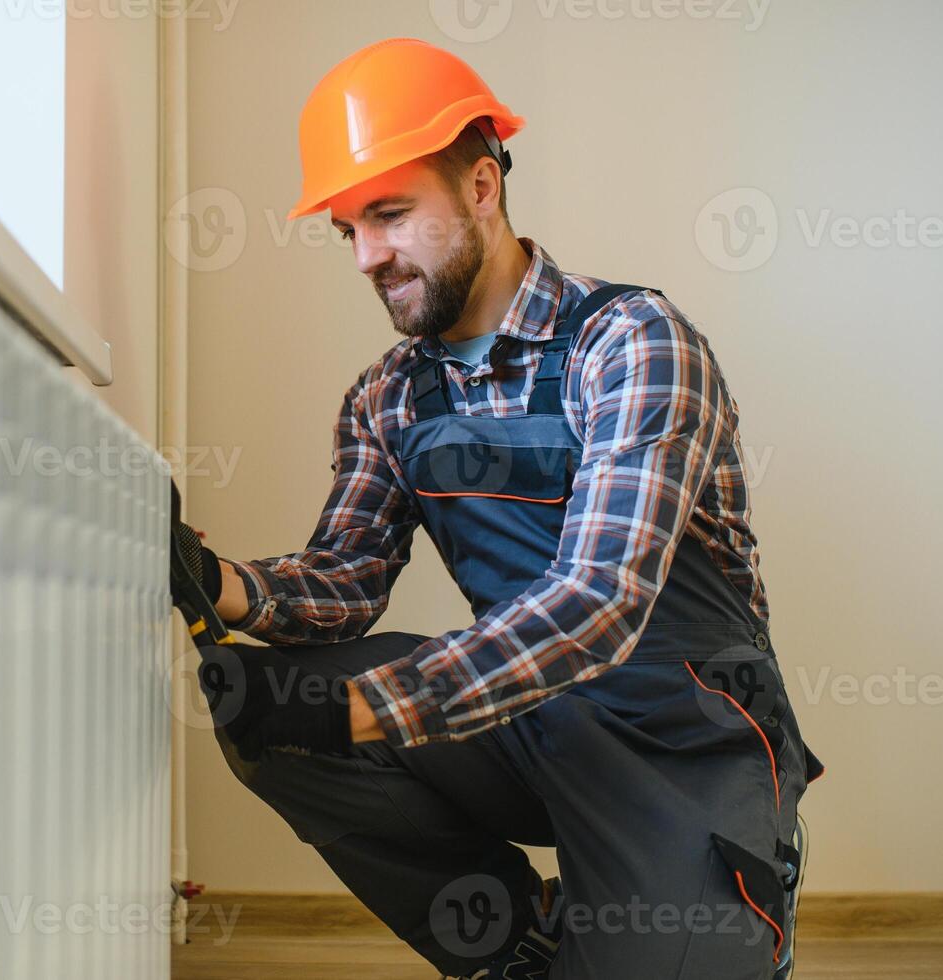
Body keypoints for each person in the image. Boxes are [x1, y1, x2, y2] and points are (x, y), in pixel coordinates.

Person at [173, 37, 824, 980]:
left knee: (331, 707)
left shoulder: (631, 343)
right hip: (529, 720)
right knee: (262, 714)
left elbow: (598, 599)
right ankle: (518, 936)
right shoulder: (387, 396)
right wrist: (220, 584)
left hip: (687, 742)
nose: (365, 256)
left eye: (390, 214)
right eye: (346, 228)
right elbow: (347, 580)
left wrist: (356, 709)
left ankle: (718, 889)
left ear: (482, 186)